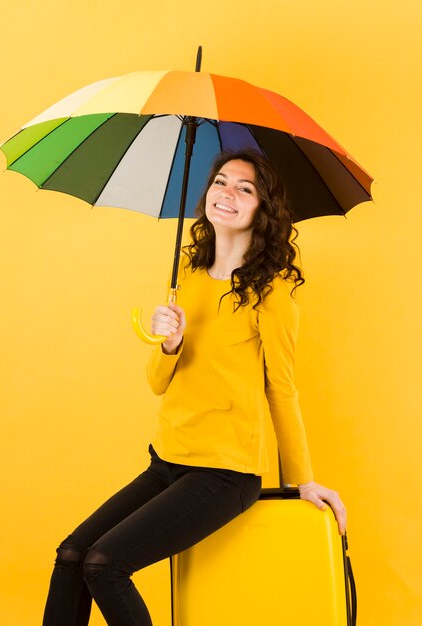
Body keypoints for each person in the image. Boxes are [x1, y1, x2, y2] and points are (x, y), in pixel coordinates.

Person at [42, 149, 347, 626]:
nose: (226, 193)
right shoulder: (186, 276)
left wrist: (303, 479)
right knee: (72, 556)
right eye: (221, 182)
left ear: (262, 210)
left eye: (244, 189)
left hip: (224, 474)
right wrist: (170, 344)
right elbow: (158, 384)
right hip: (167, 461)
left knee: (105, 565)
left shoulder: (274, 291)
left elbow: (282, 389)